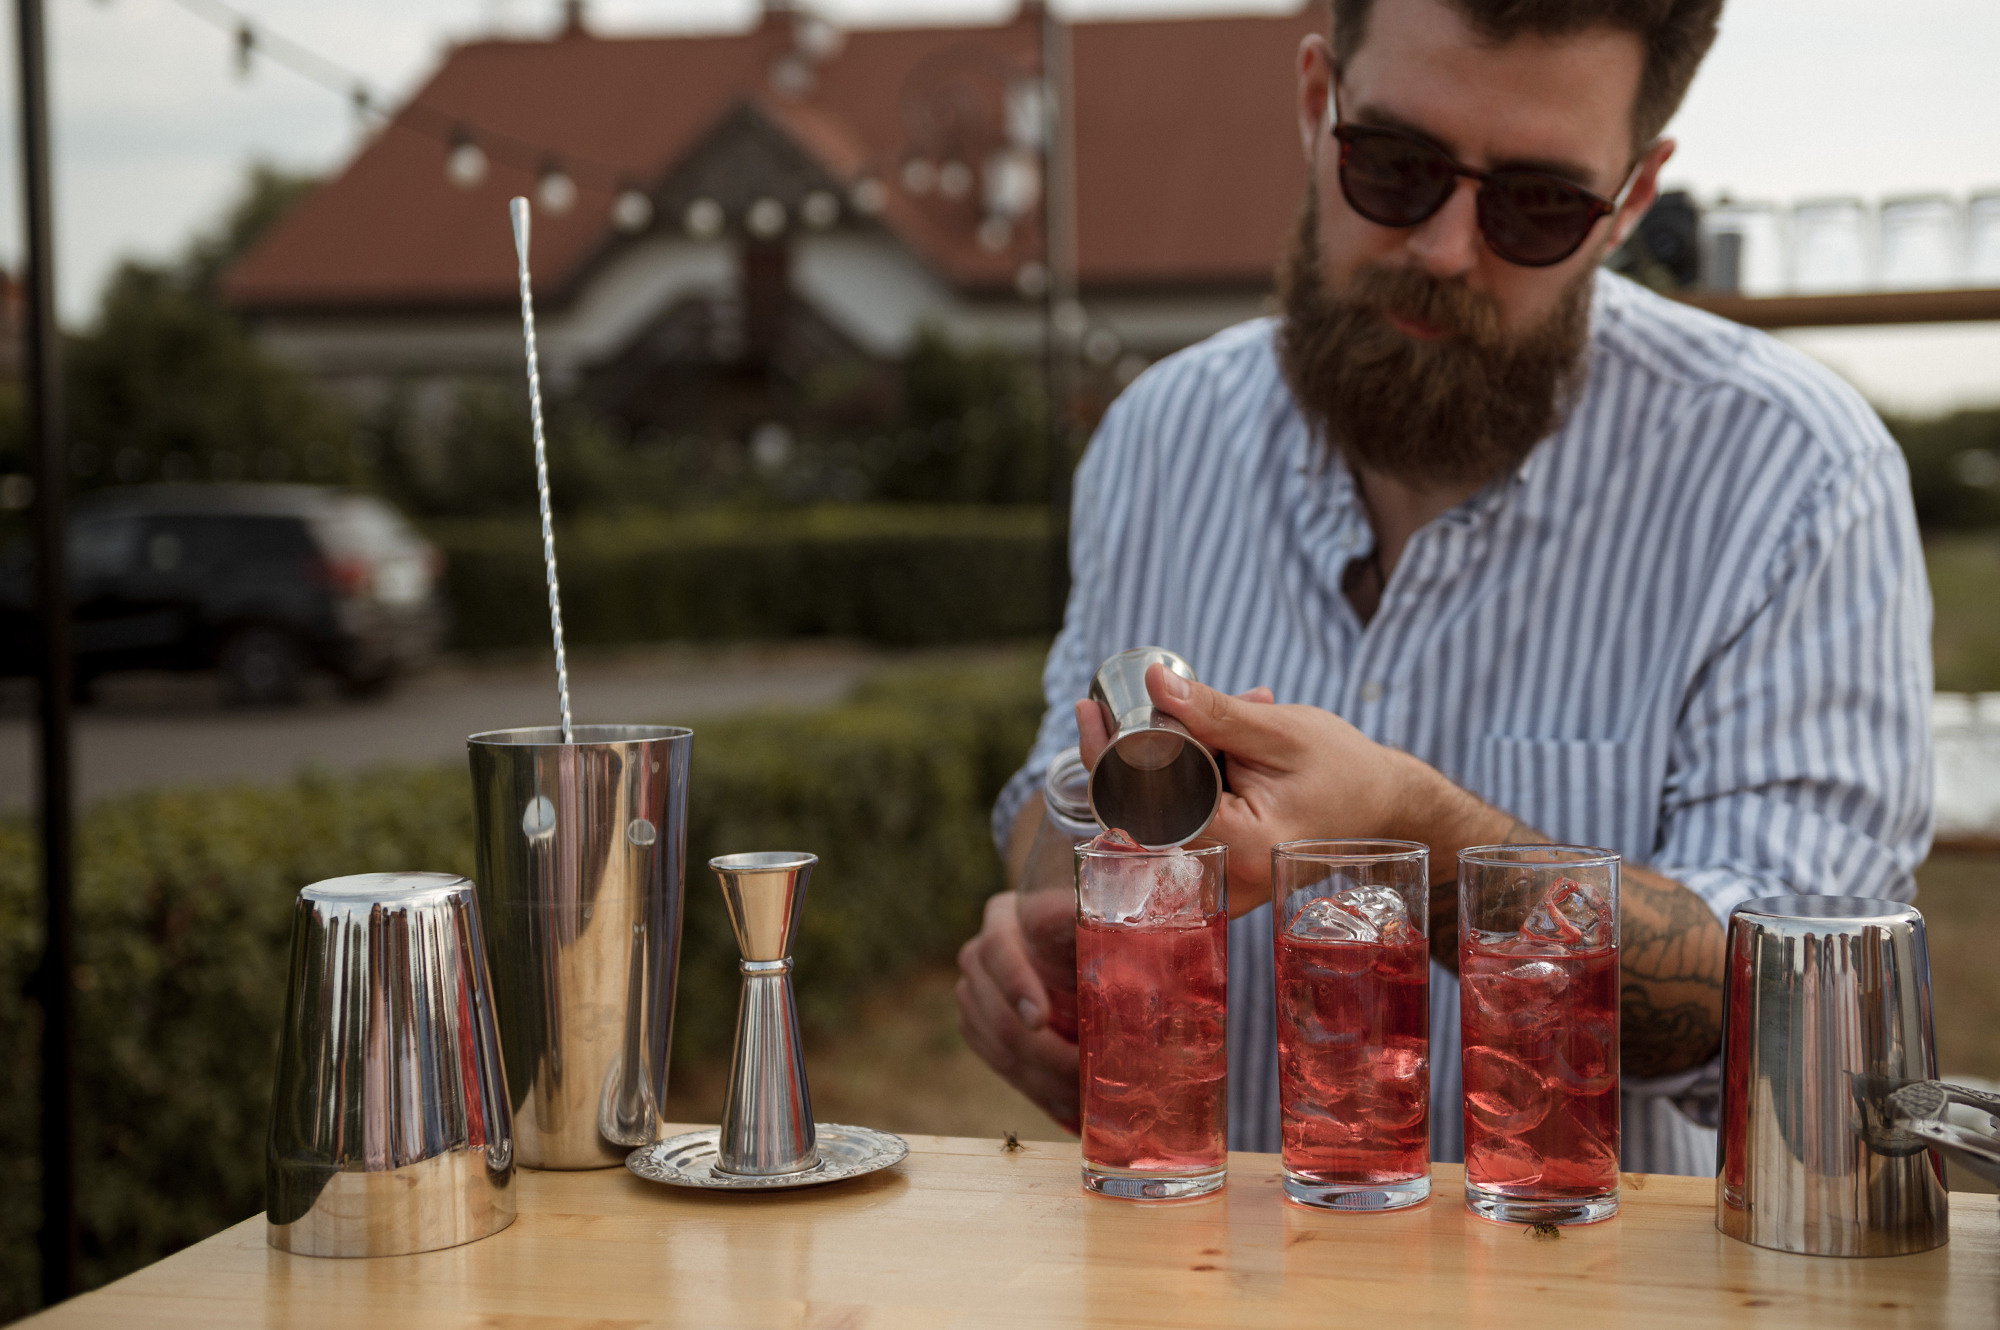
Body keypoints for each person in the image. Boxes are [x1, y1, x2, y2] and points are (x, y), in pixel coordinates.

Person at [955, 0, 1932, 1176]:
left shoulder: (1789, 476)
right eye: (1395, 167)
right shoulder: (1157, 436)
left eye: (1535, 205)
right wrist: (1053, 911)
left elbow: (1812, 1018)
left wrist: (1416, 844)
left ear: (1628, 201)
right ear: (1317, 99)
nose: (1442, 248)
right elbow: (1053, 785)